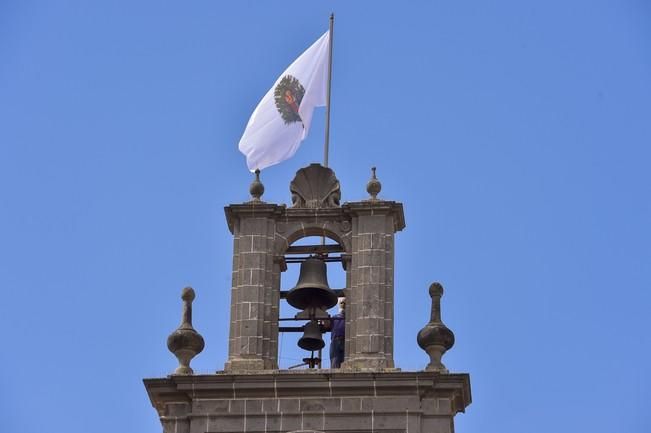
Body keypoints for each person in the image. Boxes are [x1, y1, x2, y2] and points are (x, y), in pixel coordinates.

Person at [329, 298, 345, 368]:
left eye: (345, 303)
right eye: (341, 303)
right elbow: (326, 324)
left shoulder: (350, 319)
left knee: (345, 364)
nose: (343, 305)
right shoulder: (334, 318)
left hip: (346, 342)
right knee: (335, 364)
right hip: (336, 341)